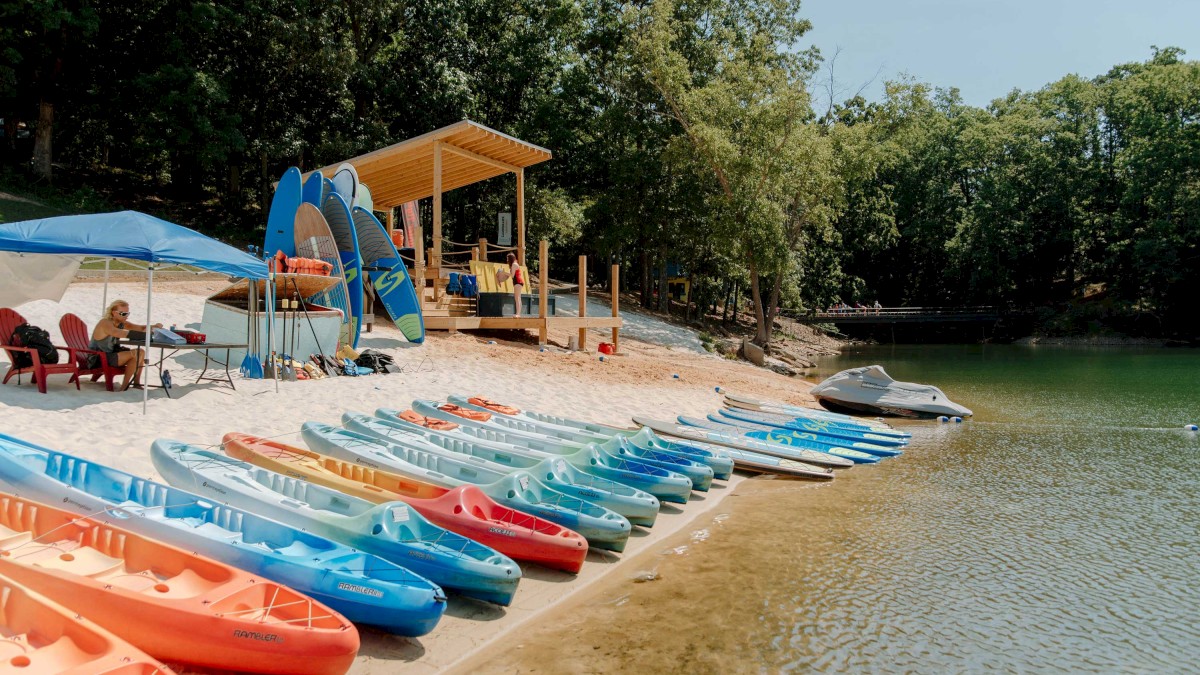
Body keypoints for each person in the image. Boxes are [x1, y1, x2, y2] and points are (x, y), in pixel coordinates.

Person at [90, 299, 162, 391]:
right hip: (99, 358)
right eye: (123, 314)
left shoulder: (120, 323)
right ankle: (124, 387)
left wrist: (154, 326)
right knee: (136, 353)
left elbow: (139, 328)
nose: (126, 316)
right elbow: (118, 333)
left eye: (127, 313)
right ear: (114, 313)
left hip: (109, 355)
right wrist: (144, 335)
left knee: (141, 352)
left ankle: (136, 383)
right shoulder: (105, 323)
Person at [494, 253, 525, 317]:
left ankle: (518, 314)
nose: (507, 260)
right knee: (518, 298)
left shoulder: (514, 264)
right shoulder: (514, 264)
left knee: (517, 298)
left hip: (518, 282)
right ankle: (518, 313)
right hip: (518, 282)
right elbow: (509, 275)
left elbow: (512, 275)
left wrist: (503, 272)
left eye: (508, 259)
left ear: (510, 258)